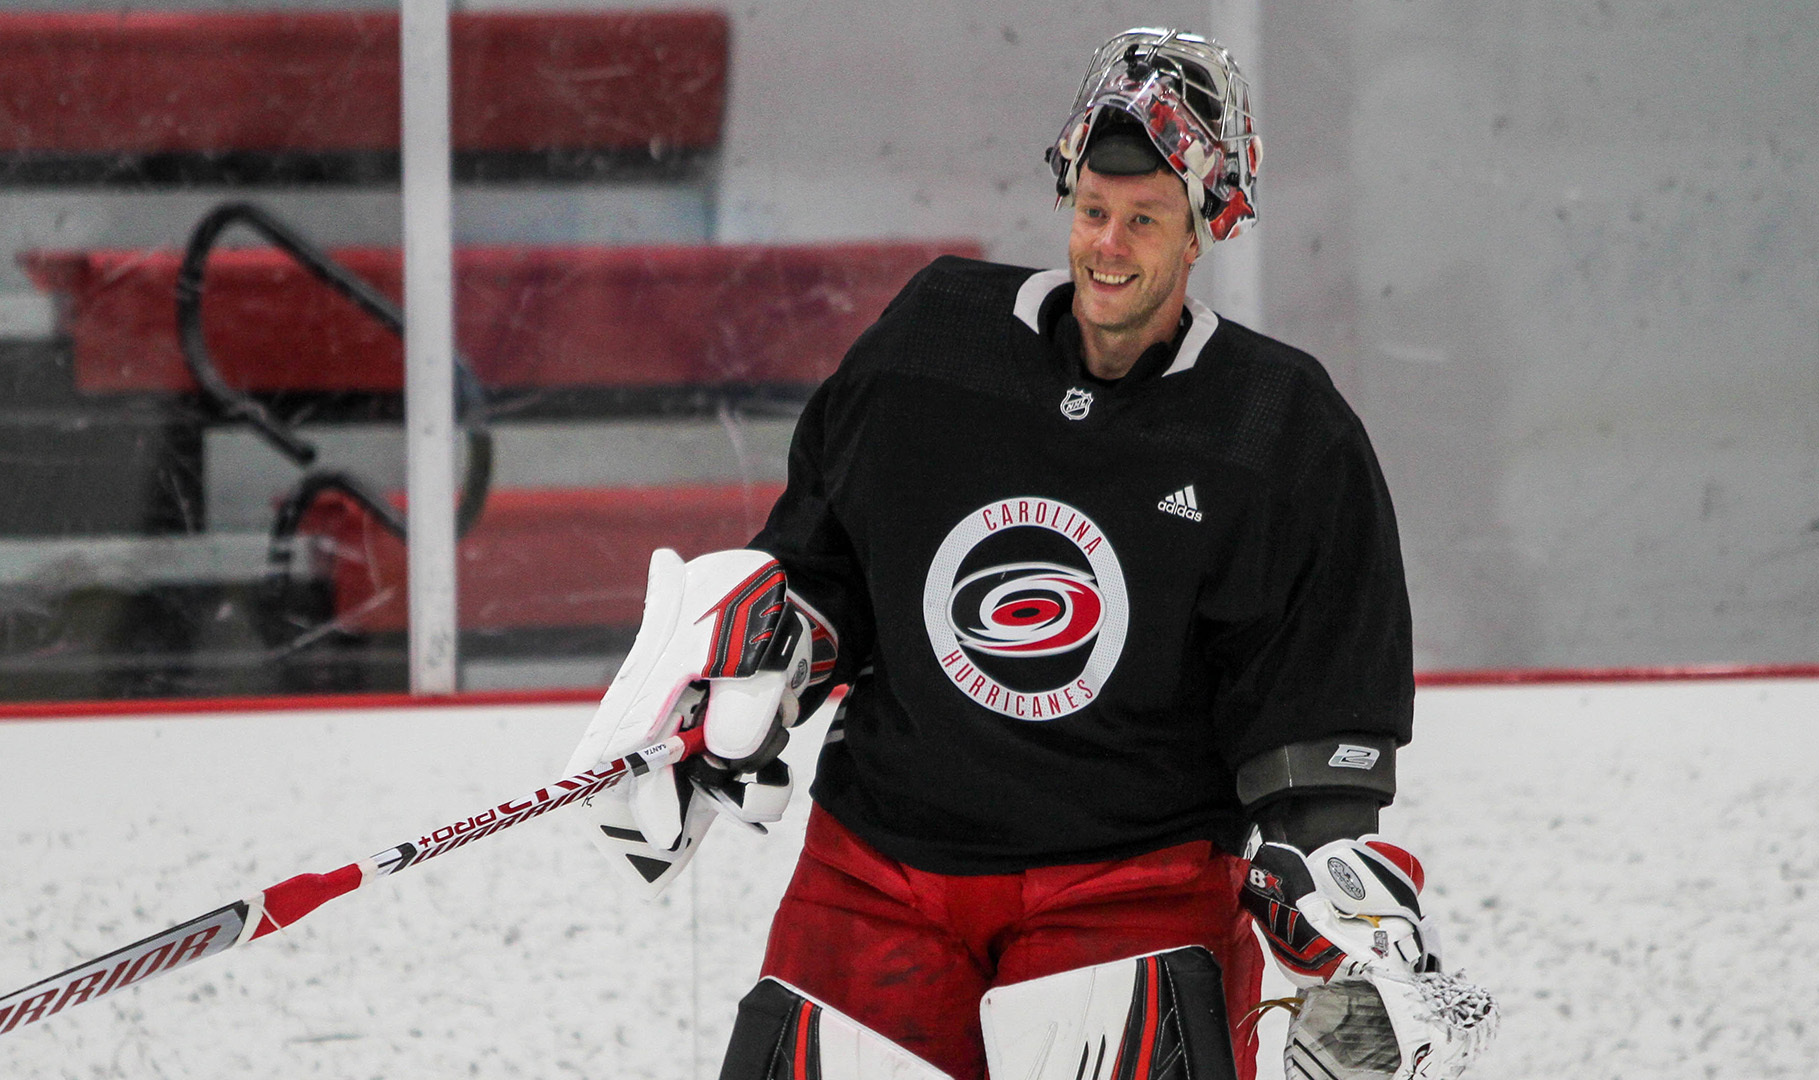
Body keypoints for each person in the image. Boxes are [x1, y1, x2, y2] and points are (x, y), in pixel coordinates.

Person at [567, 26, 1494, 1080]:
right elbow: (828, 568)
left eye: (1144, 220)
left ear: (1204, 230)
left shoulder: (1281, 433)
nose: (1108, 244)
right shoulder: (935, 343)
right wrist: (757, 664)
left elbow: (1314, 719)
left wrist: (1322, 869)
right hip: (878, 868)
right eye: (1094, 211)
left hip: (1130, 891)